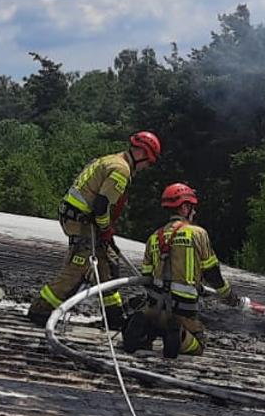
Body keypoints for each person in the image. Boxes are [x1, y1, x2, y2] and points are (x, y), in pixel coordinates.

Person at [25, 131, 162, 325]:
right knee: (78, 268)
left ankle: (113, 315)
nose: (148, 166)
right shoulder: (121, 170)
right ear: (141, 153)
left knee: (108, 263)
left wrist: (105, 233)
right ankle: (41, 309)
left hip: (80, 218)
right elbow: (101, 206)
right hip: (83, 222)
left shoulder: (111, 159)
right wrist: (105, 229)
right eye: (149, 161)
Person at [120, 182, 237, 358]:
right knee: (198, 346)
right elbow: (212, 273)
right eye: (192, 208)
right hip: (183, 312)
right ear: (184, 207)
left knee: (151, 325)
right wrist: (228, 295)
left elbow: (146, 277)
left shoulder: (154, 237)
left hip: (156, 308)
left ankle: (143, 331)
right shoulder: (197, 234)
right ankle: (179, 335)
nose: (194, 213)